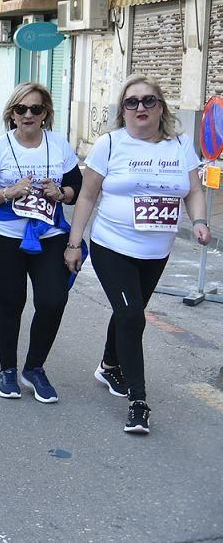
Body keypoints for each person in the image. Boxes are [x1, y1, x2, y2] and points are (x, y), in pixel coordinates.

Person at [65, 75, 210, 434]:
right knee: (132, 317)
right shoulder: (110, 144)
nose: (140, 108)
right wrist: (74, 242)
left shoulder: (179, 145)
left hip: (156, 250)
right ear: (123, 110)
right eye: (132, 102)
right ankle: (138, 402)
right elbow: (87, 196)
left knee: (129, 312)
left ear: (161, 106)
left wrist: (201, 220)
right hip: (112, 245)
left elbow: (192, 190)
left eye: (148, 101)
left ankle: (109, 364)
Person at [0, 82, 82, 404]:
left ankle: (35, 367)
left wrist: (63, 194)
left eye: (36, 109)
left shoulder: (59, 145)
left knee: (53, 300)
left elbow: (77, 187)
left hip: (49, 235)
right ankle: (7, 370)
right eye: (21, 109)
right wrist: (8, 193)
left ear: (46, 113)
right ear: (11, 114)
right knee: (11, 302)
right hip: (4, 237)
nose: (28, 115)